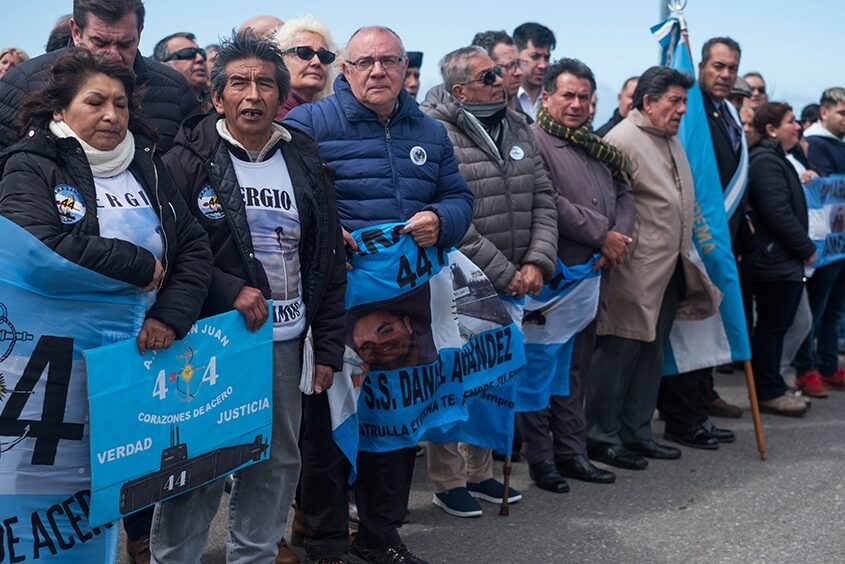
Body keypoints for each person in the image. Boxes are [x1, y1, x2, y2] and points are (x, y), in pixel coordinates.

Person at [149, 30, 347, 564]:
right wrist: (229, 288)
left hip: (286, 340)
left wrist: (327, 345)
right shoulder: (184, 161)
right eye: (238, 83)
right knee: (198, 461)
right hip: (211, 340)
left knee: (278, 459)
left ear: (282, 97)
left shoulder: (303, 157)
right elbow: (170, 247)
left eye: (264, 83)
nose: (252, 95)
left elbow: (327, 257)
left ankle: (255, 555)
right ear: (217, 98)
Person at [286, 25, 472, 564]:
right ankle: (323, 541)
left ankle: (379, 534)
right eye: (365, 62)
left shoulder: (430, 132)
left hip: (407, 302)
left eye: (389, 61)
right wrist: (326, 229)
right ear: (345, 69)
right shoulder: (308, 123)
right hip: (334, 304)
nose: (377, 71)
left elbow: (458, 196)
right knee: (327, 426)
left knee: (394, 424)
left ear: (404, 69)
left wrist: (443, 218)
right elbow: (286, 203)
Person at [421, 45, 557, 516]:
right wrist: (504, 273)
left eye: (500, 72)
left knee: (493, 376)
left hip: (519, 275)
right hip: (464, 277)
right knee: (456, 375)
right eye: (490, 74)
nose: (503, 79)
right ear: (460, 90)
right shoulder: (435, 129)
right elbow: (450, 210)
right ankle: (446, 478)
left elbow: (543, 195)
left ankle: (480, 472)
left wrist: (538, 262)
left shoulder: (518, 124)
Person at [586, 66, 721, 470]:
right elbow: (606, 206)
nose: (682, 109)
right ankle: (601, 436)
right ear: (648, 102)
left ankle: (637, 432)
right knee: (618, 354)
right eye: (674, 101)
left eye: (684, 101)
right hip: (632, 272)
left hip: (669, 270)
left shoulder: (671, 139)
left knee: (650, 356)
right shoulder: (622, 140)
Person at [522, 58, 634, 492]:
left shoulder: (597, 145)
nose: (576, 104)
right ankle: (541, 458)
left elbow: (625, 191)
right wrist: (602, 234)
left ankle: (573, 452)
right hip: (555, 276)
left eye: (584, 97)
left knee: (576, 370)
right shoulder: (533, 141)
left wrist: (619, 236)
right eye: (567, 95)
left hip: (595, 274)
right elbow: (548, 200)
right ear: (546, 97)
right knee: (541, 369)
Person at [657, 37, 745, 452]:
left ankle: (699, 405)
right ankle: (683, 418)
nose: (725, 75)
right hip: (695, 240)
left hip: (724, 241)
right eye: (717, 67)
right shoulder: (692, 116)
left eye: (732, 68)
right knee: (689, 334)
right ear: (701, 67)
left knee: (709, 331)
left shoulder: (727, 112)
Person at [0, 0, 199, 153]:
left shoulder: (175, 91)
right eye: (100, 42)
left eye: (125, 44)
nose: (113, 55)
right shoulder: (22, 85)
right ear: (76, 32)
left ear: (140, 32)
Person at [742, 103, 816, 416]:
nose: (797, 127)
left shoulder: (778, 159)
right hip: (773, 261)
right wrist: (805, 247)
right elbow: (777, 212)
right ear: (771, 129)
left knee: (782, 325)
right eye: (790, 122)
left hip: (780, 260)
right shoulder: (766, 161)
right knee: (772, 327)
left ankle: (773, 383)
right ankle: (769, 391)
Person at [792, 87, 845, 395]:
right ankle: (805, 369)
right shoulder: (814, 143)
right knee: (815, 310)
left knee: (835, 311)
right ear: (824, 112)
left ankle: (826, 365)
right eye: (841, 113)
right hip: (825, 245)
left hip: (841, 244)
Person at [274, 14, 340, 118]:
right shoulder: (269, 115)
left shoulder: (331, 116)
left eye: (324, 56)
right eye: (304, 53)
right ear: (280, 59)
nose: (316, 62)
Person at [153, 32, 211, 112]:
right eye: (189, 53)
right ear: (164, 65)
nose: (200, 58)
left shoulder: (221, 105)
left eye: (202, 53)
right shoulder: (152, 108)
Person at [470, 30, 524, 116]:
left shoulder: (527, 123)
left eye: (519, 64)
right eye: (509, 65)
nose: (519, 72)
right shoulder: (467, 123)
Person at [512, 22, 555, 120]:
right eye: (535, 57)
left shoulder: (554, 98)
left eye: (547, 58)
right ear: (516, 55)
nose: (543, 65)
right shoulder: (503, 98)